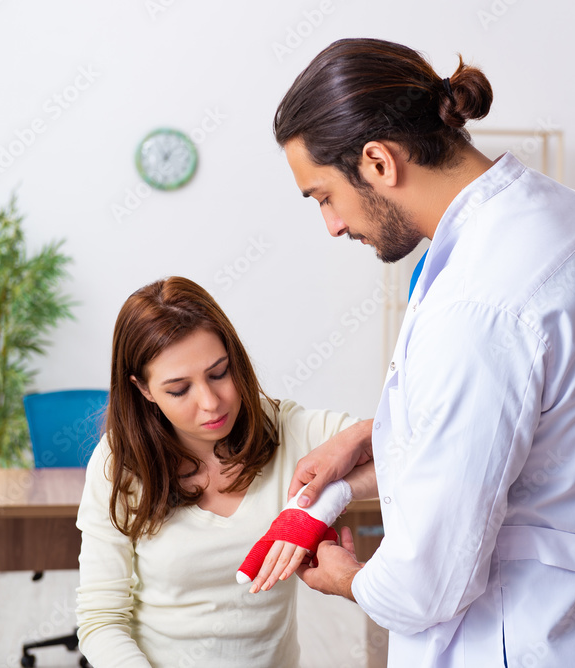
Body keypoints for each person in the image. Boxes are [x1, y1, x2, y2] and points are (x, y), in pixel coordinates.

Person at [272, 38, 575, 667]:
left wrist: (348, 577)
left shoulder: (477, 305)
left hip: (516, 637)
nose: (331, 225)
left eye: (324, 196)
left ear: (378, 161)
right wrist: (377, 436)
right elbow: (549, 442)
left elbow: (426, 583)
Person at [75, 276, 374, 668]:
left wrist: (321, 503)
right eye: (179, 390)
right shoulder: (119, 464)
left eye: (219, 373)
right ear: (143, 389)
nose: (211, 402)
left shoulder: (286, 429)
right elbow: (101, 620)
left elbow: (417, 454)